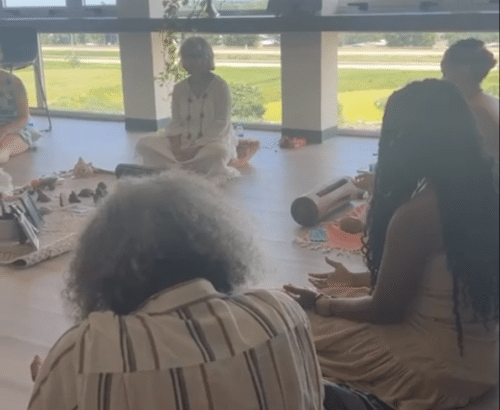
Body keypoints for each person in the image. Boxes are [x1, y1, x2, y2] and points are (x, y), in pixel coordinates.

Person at [27, 172, 325, 410]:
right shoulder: (282, 313)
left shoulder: (84, 353)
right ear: (220, 246)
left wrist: (56, 380)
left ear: (102, 268)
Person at [285, 79, 499, 410]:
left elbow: (384, 310)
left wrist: (321, 303)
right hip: (483, 361)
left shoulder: (418, 214)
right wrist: (355, 281)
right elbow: (435, 281)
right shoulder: (486, 189)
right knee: (344, 297)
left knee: (294, 326)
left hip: (433, 369)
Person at [136, 36, 241, 179]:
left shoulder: (220, 87)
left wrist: (196, 148)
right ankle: (185, 168)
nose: (193, 62)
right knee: (145, 143)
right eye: (188, 58)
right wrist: (176, 147)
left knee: (218, 153)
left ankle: (177, 168)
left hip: (210, 143)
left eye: (197, 57)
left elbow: (221, 123)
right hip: (182, 142)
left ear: (207, 59)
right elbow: (176, 121)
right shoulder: (179, 88)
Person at [441, 38, 499, 164]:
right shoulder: (488, 101)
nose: (442, 76)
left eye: (446, 69)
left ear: (464, 69)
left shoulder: (475, 111)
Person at [0, 45, 40, 164]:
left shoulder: (15, 83)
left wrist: (5, 131)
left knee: (4, 148)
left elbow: (24, 117)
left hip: (16, 126)